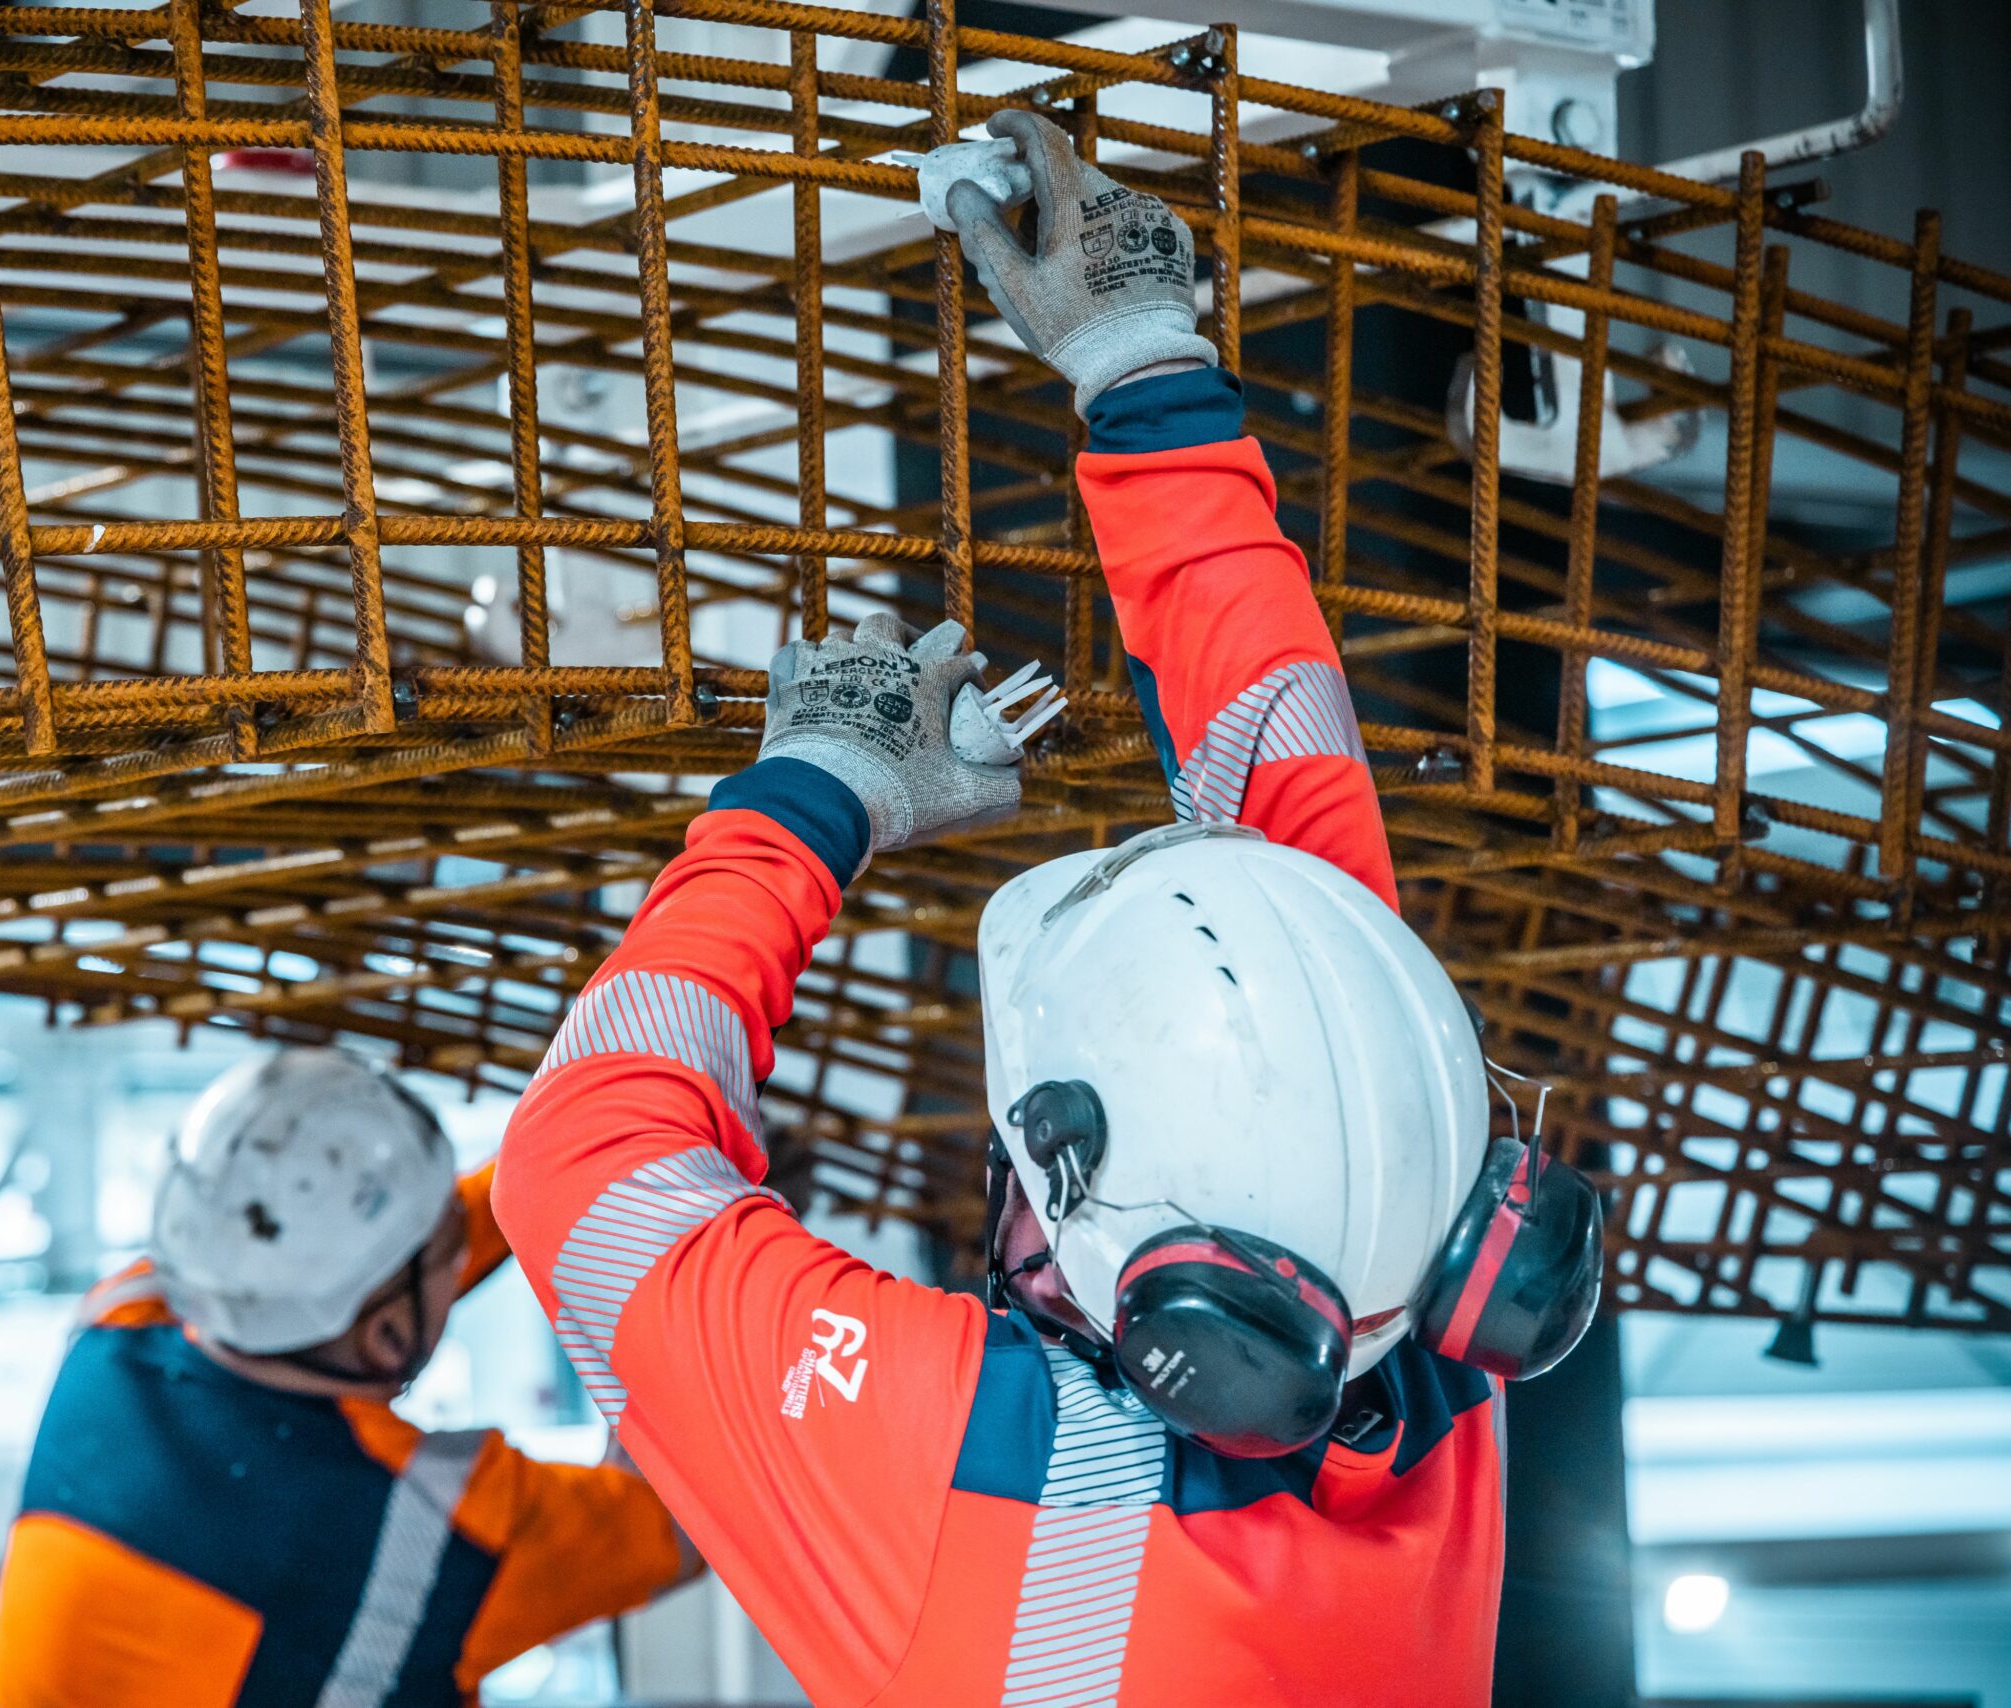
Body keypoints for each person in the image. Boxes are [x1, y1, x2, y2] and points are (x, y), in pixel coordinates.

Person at [491, 110, 1602, 1708]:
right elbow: (1305, 930)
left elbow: (582, 1164)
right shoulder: (1410, 1336)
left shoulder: (980, 1483)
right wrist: (1147, 385)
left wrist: (820, 788)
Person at [0, 1047, 701, 1708]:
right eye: (450, 1260)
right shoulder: (426, 1534)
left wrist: (591, 1176)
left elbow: (351, 1272)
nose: (459, 1265)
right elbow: (685, 1521)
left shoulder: (120, 1331)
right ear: (384, 1338)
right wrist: (665, 1255)